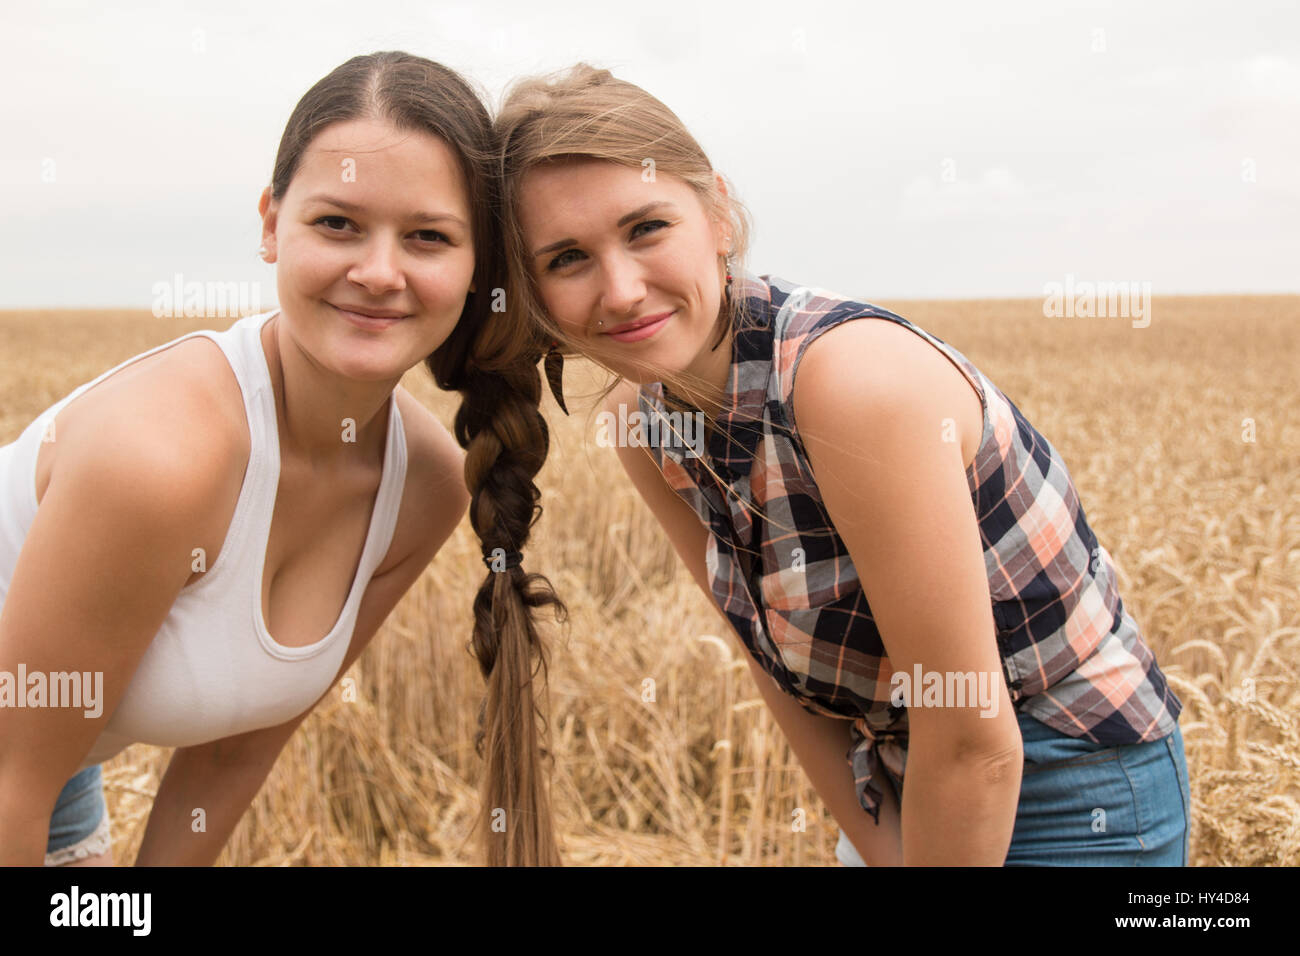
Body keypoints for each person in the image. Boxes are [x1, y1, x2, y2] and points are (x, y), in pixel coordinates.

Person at [493, 63, 1191, 865]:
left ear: (716, 212)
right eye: (567, 258)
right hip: (902, 778)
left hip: (1073, 784)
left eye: (646, 228)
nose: (620, 290)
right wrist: (877, 842)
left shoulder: (846, 383)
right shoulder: (639, 425)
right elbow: (774, 675)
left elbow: (972, 737)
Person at [0, 51, 560, 867]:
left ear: (478, 268)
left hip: (48, 779)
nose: (377, 272)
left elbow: (237, 749)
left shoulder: (427, 486)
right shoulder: (158, 459)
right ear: (271, 224)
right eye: (337, 223)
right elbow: (13, 782)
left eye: (428, 237)